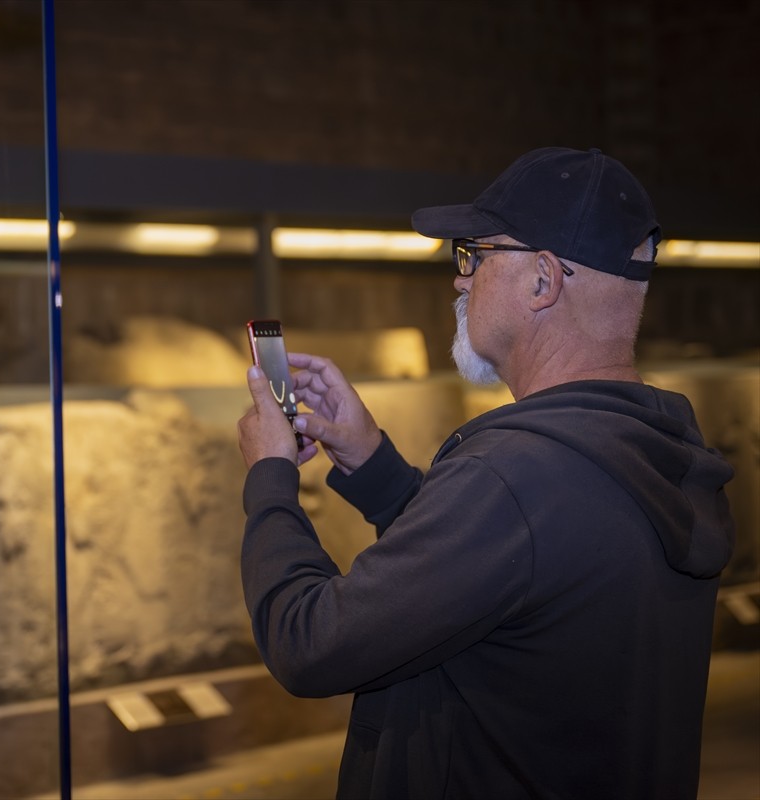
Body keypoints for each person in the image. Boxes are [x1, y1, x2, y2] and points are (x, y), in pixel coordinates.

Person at [237, 147, 735, 799]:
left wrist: (270, 478)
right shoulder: (650, 451)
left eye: (474, 255)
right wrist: (372, 461)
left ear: (542, 281)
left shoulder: (513, 476)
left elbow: (308, 642)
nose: (460, 281)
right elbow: (506, 571)